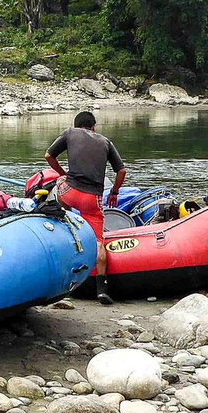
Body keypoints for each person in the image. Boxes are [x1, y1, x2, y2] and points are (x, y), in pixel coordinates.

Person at [45, 111, 126, 304]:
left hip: (70, 192)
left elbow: (49, 155)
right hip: (92, 198)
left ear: (76, 125)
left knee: (60, 183)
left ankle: (66, 220)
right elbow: (122, 170)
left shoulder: (69, 133)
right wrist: (114, 192)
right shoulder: (106, 142)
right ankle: (102, 290)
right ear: (94, 127)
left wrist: (63, 173)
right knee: (98, 242)